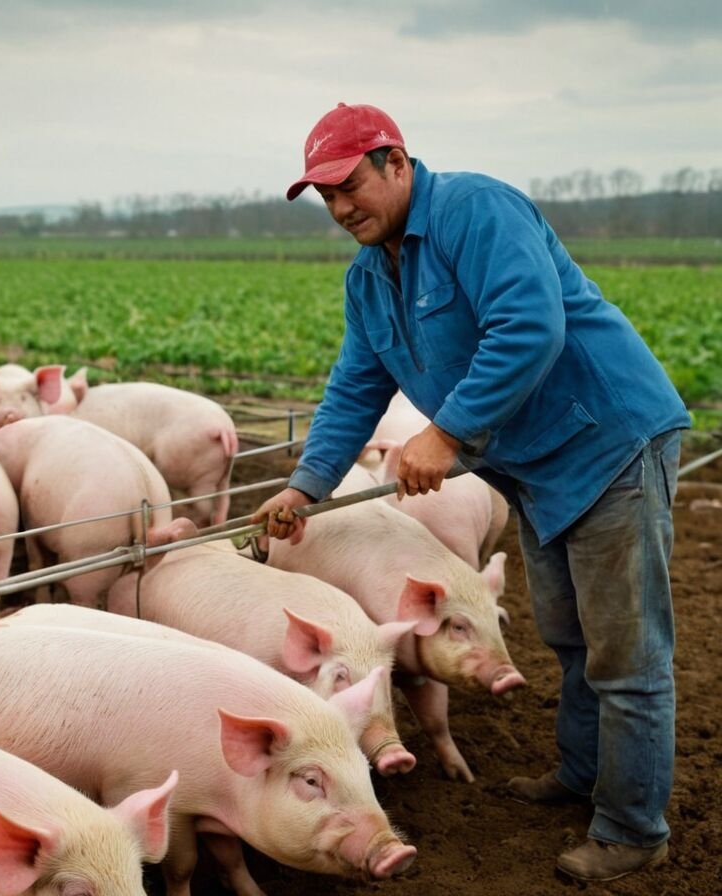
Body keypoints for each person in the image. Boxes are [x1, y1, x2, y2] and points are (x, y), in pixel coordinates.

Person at [250, 102, 690, 883]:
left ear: (396, 162)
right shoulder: (369, 278)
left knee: (625, 655)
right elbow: (355, 385)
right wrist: (304, 487)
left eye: (351, 185)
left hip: (609, 441)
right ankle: (583, 779)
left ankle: (632, 827)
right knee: (570, 639)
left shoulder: (475, 211)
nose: (343, 208)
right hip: (536, 471)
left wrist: (445, 433)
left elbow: (527, 325)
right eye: (327, 197)